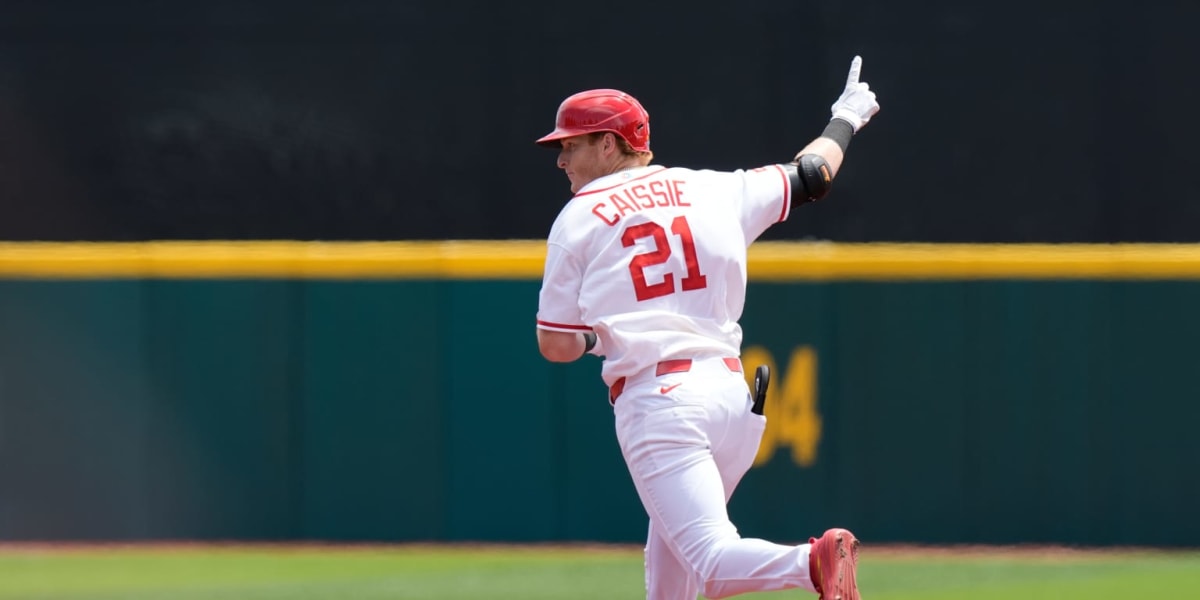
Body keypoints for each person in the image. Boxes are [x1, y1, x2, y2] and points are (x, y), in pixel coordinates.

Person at [533, 56, 880, 600]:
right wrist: (847, 117)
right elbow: (813, 175)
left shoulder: (578, 217)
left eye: (571, 145)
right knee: (672, 583)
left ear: (609, 144)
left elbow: (554, 345)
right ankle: (807, 563)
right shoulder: (714, 189)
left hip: (662, 403)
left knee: (710, 561)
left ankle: (812, 561)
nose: (561, 159)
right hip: (732, 402)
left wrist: (598, 337)